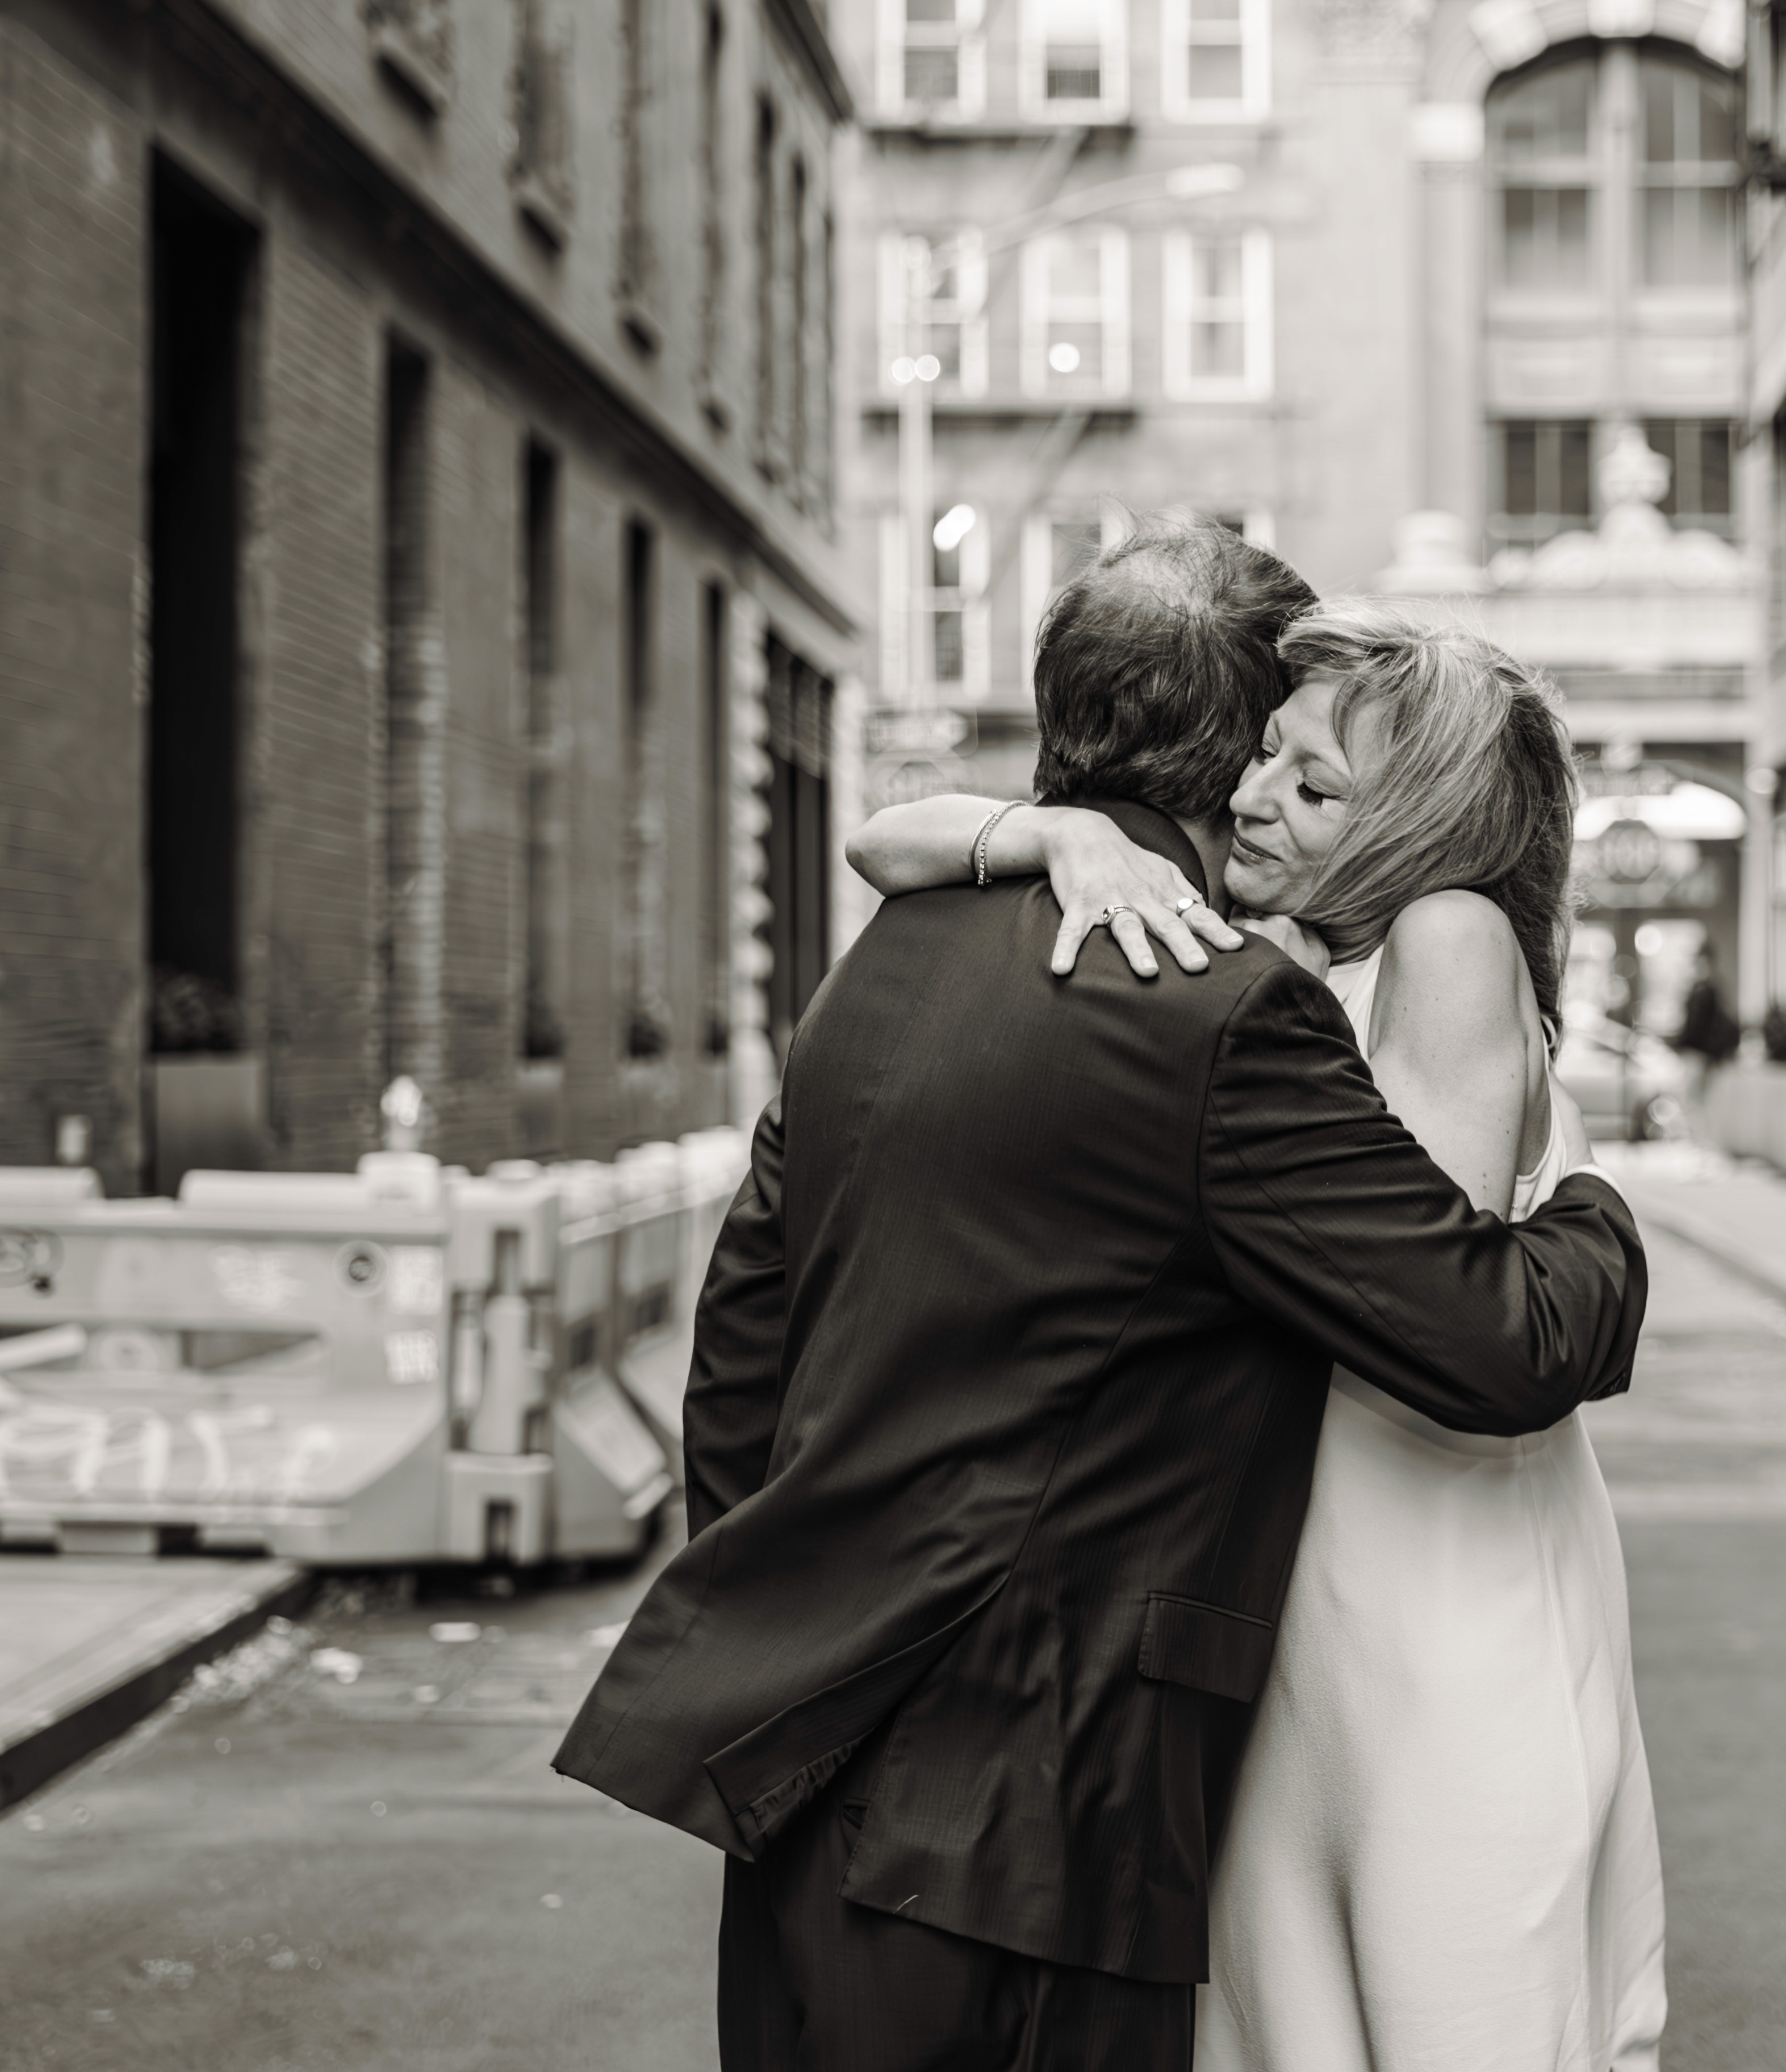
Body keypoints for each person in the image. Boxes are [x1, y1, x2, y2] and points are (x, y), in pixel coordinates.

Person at [554, 519, 1650, 2072]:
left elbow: (741, 1343)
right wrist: (1602, 1211)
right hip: (1038, 1831)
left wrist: (797, 1613)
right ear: (1235, 753)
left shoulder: (890, 955)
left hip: (802, 1787)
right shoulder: (1221, 1010)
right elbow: (1489, 1334)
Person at [849, 599, 1669, 2072]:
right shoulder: (1292, 947)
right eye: (1265, 760)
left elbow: (1431, 1307)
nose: (1252, 795)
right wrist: (1052, 837)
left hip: (1431, 1586)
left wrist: (1598, 1205)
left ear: (1418, 814)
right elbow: (884, 839)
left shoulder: (1447, 932)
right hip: (1324, 1574)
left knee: (1446, 2001)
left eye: (1313, 782)